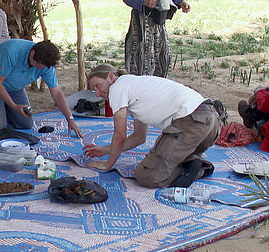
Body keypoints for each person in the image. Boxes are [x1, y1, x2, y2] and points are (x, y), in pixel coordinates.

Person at [84, 64, 221, 188]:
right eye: (93, 90)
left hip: (192, 122)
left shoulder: (116, 88)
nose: (97, 93)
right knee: (171, 160)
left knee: (147, 176)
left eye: (98, 85)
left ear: (111, 77)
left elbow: (120, 136)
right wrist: (104, 150)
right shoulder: (134, 87)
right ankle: (191, 161)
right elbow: (139, 138)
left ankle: (195, 169)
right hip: (210, 122)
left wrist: (107, 164)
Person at [0, 39, 82, 137]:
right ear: (32, 53)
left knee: (26, 123)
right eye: (39, 66)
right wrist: (13, 105)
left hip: (15, 86)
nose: (40, 70)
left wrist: (69, 118)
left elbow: (56, 93)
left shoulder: (46, 65)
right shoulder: (11, 51)